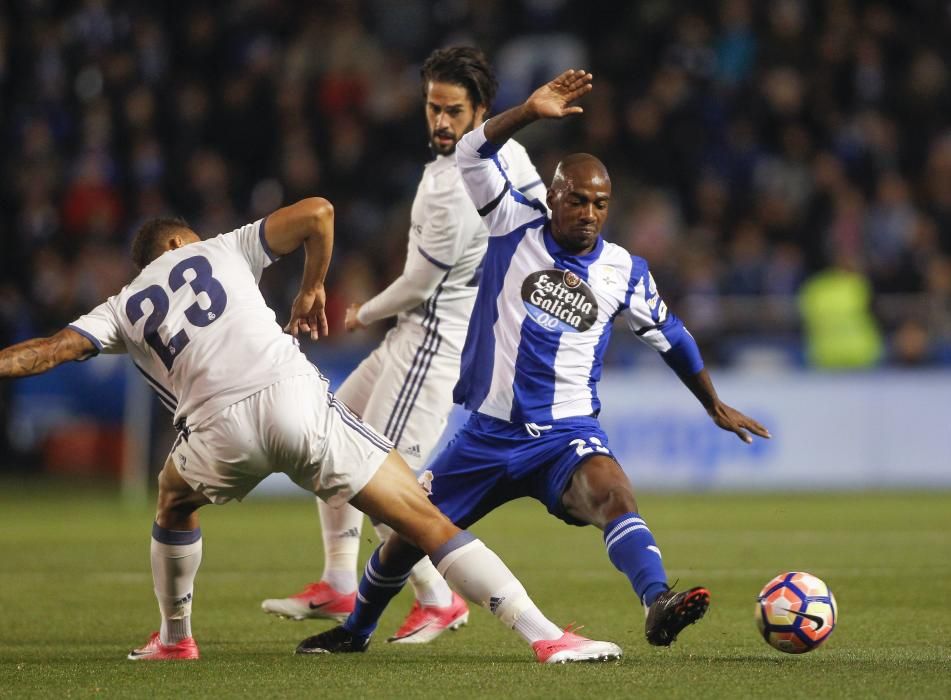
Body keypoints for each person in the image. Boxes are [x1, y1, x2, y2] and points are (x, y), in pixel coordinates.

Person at [0, 198, 621, 664]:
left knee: (171, 497)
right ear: (179, 243)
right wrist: (311, 286)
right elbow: (319, 212)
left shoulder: (120, 306)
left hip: (218, 432)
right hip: (294, 400)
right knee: (427, 521)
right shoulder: (223, 246)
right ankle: (545, 637)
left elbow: (50, 350)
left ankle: (175, 638)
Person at [296, 70, 771, 655]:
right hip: (488, 434)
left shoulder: (625, 270)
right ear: (553, 196)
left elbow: (673, 338)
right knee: (407, 535)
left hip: (565, 433)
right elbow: (472, 151)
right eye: (577, 200)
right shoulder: (511, 222)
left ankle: (656, 602)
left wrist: (713, 403)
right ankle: (356, 630)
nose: (589, 213)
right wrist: (527, 110)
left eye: (600, 204)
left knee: (616, 495)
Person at [261, 46, 547, 644]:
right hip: (421, 333)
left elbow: (420, 282)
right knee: (329, 432)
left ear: (482, 111)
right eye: (432, 108)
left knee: (380, 482)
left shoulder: (452, 187)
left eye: (454, 112)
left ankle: (440, 600)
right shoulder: (512, 156)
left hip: (431, 341)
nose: (441, 122)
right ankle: (340, 579)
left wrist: (362, 310)